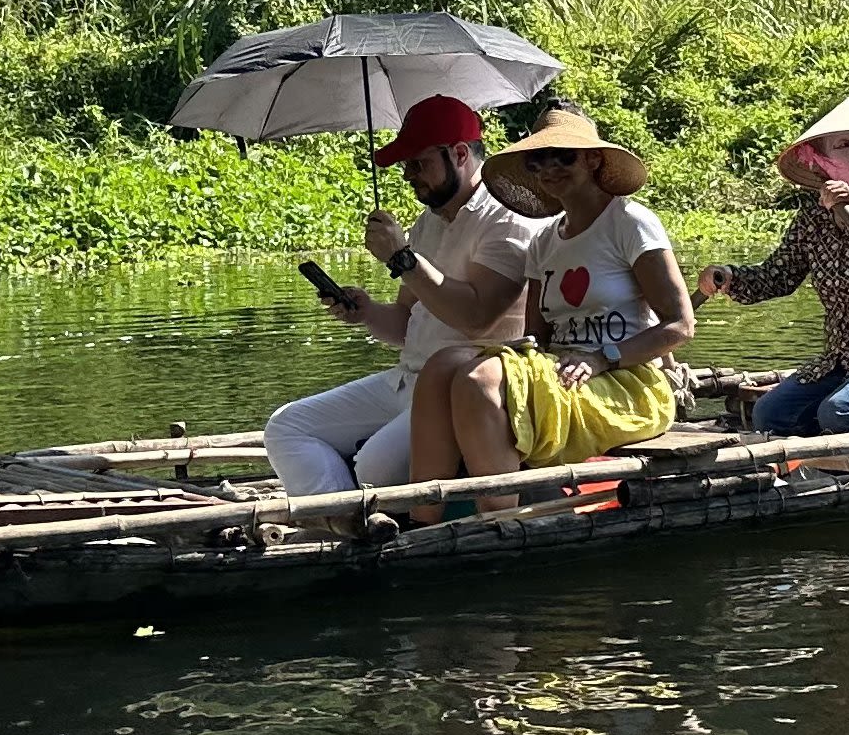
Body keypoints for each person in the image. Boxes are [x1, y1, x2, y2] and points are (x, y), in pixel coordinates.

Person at [401, 105, 694, 512]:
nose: (549, 169)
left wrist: (601, 359)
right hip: (567, 372)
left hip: (627, 379)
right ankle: (423, 522)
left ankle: (500, 523)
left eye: (564, 156)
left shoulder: (629, 223)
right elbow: (538, 339)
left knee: (480, 381)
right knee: (442, 364)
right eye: (538, 161)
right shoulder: (543, 243)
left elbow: (680, 325)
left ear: (593, 159)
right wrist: (518, 359)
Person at [261, 94, 541, 499]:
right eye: (406, 165)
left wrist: (402, 257)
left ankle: (351, 510)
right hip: (407, 381)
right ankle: (343, 521)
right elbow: (407, 324)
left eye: (418, 163)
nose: (409, 175)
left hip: (463, 394)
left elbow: (478, 317)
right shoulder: (428, 221)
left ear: (460, 154)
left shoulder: (507, 218)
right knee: (287, 426)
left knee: (374, 468)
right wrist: (368, 312)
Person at [702, 100, 849, 437]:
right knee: (770, 413)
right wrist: (729, 277)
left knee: (842, 409)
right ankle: (819, 466)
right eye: (843, 145)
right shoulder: (812, 220)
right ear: (822, 159)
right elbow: (778, 276)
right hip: (842, 358)